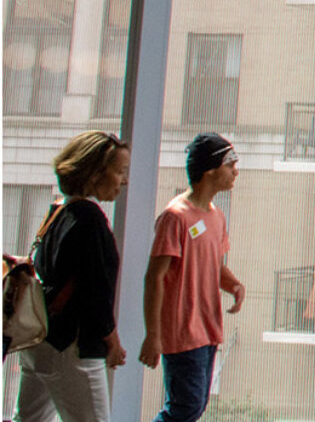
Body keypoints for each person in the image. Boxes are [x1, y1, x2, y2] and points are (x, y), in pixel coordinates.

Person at [13, 132, 130, 422]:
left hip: (41, 342)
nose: (124, 181)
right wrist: (112, 342)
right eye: (119, 171)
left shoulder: (57, 212)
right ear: (95, 174)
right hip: (72, 347)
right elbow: (96, 291)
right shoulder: (90, 219)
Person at [139, 133, 246, 422]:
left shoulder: (217, 217)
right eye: (230, 164)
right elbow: (154, 277)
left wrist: (234, 285)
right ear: (210, 170)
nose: (235, 171)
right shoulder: (175, 217)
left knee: (194, 407)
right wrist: (153, 335)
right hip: (182, 331)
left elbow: (211, 265)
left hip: (208, 329)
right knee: (184, 408)